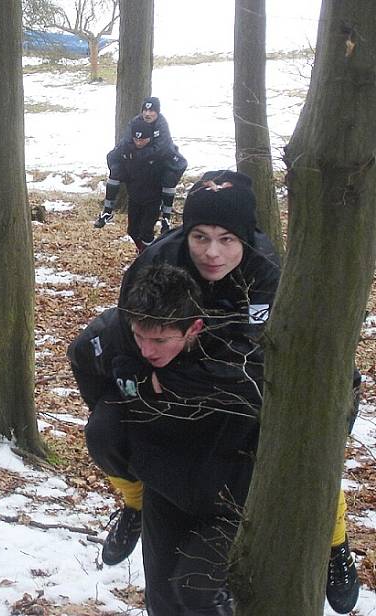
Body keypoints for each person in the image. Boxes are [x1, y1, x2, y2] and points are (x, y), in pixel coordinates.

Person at [70, 171, 360, 613]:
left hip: (262, 395)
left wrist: (180, 377)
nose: (211, 252)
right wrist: (138, 386)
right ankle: (134, 502)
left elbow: (256, 365)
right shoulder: (156, 264)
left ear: (246, 238)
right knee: (106, 427)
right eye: (200, 236)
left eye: (226, 239)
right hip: (177, 400)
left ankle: (333, 538)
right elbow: (128, 344)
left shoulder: (269, 274)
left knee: (311, 434)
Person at [96, 261, 262, 614]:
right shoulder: (126, 345)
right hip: (164, 485)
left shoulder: (237, 355)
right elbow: (86, 358)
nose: (147, 350)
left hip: (231, 499)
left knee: (196, 590)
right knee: (163, 600)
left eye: (159, 340)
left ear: (194, 329)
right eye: (140, 336)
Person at [95, 96, 184, 242]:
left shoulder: (162, 124)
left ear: (157, 112)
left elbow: (162, 148)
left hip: (158, 169)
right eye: (145, 110)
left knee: (169, 177)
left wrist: (139, 155)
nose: (148, 114)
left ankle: (166, 216)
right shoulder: (135, 122)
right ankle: (107, 210)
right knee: (115, 167)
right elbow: (126, 142)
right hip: (136, 177)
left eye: (152, 110)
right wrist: (129, 158)